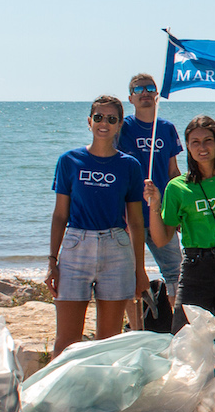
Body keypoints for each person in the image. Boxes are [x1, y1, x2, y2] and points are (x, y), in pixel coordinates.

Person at [144, 115, 215, 412]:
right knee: (184, 345)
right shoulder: (178, 187)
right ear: (188, 148)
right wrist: (154, 205)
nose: (202, 147)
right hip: (195, 268)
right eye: (195, 142)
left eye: (207, 141)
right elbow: (162, 237)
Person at [48, 96, 147, 358]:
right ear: (89, 121)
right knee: (66, 342)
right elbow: (60, 215)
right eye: (99, 117)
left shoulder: (130, 165)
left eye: (112, 119)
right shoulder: (69, 161)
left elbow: (136, 222)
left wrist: (140, 269)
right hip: (76, 248)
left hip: (116, 249)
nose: (104, 123)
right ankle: (60, 386)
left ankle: (101, 385)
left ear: (119, 125)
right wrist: (52, 261)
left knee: (108, 341)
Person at [119, 73, 183, 321]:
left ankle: (179, 327)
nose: (144, 93)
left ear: (157, 94)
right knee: (130, 276)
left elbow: (173, 173)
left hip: (161, 215)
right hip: (130, 216)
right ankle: (135, 329)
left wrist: (179, 210)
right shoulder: (123, 128)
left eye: (149, 88)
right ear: (130, 98)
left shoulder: (166, 128)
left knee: (176, 273)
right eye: (138, 89)